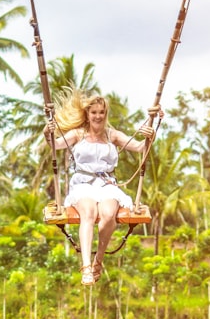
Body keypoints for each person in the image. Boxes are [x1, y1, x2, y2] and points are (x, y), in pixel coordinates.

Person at [44, 88, 158, 286]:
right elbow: (54, 144)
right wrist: (48, 131)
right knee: (88, 211)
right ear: (88, 114)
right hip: (83, 183)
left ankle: (99, 259)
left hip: (106, 184)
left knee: (108, 213)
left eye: (101, 112)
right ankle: (86, 266)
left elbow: (141, 148)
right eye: (94, 112)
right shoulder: (77, 134)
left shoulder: (112, 135)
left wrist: (151, 135)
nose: (98, 116)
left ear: (106, 114)